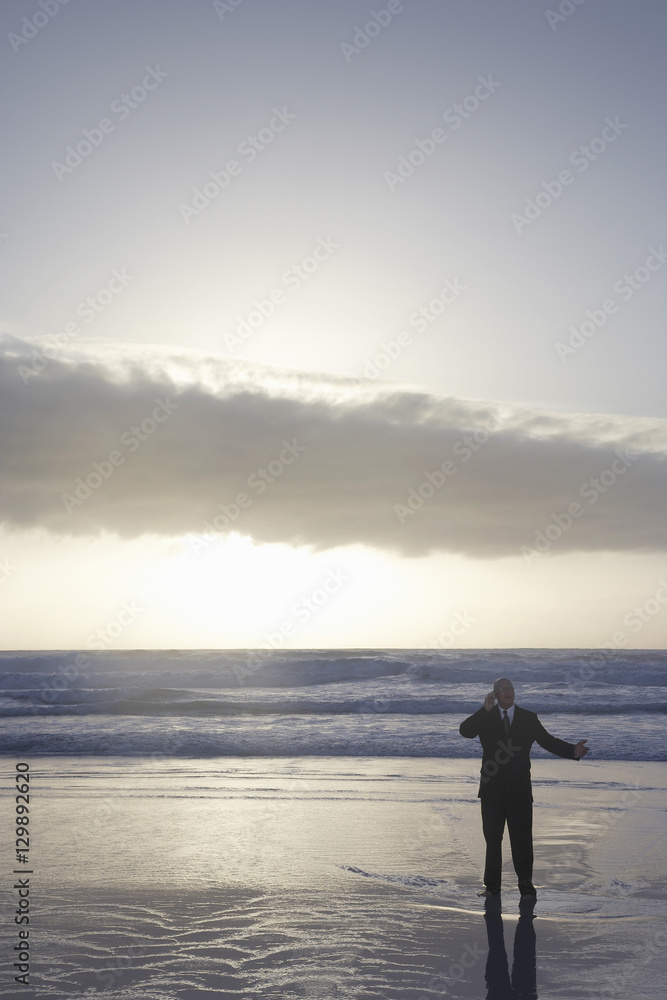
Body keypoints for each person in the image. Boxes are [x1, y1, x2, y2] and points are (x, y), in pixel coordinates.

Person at [459, 677, 589, 900]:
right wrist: (484, 710)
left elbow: (548, 741)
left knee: (522, 841)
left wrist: (572, 751)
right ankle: (492, 888)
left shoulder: (528, 718)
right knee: (492, 840)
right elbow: (465, 731)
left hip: (519, 789)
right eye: (502, 689)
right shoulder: (486, 717)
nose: (507, 692)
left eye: (510, 688)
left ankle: (526, 888)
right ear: (494, 695)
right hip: (491, 790)